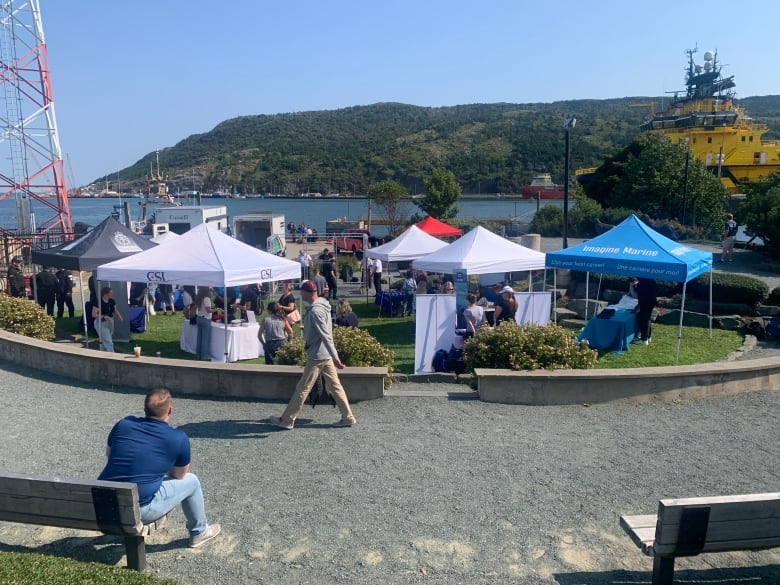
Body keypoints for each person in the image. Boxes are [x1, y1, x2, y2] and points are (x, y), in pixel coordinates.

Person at [98, 387, 221, 549]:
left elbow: (109, 454)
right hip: (136, 510)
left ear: (145, 409)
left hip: (101, 503)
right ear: (170, 410)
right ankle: (199, 532)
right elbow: (179, 475)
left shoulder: (123, 424)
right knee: (192, 481)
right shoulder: (178, 438)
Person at [269, 280, 357, 430]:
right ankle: (348, 417)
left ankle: (287, 420)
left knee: (302, 388)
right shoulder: (322, 304)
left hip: (318, 355)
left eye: (301, 291)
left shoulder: (316, 311)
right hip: (323, 354)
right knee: (335, 386)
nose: (299, 294)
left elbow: (326, 335)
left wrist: (336, 358)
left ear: (307, 293)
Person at [92, 286, 123, 352]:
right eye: (110, 293)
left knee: (106, 339)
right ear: (105, 294)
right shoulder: (99, 302)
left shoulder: (112, 301)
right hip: (101, 323)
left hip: (110, 322)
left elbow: (115, 310)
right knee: (108, 341)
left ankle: (103, 353)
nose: (112, 294)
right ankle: (112, 356)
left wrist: (119, 316)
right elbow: (94, 314)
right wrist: (104, 317)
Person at [194, 286, 217, 360]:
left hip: (199, 317)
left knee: (199, 338)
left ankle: (198, 354)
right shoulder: (206, 298)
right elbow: (208, 310)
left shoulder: (199, 297)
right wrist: (216, 309)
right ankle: (204, 355)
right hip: (205, 319)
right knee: (205, 339)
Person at [633, 277, 657, 345]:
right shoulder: (651, 279)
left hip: (646, 302)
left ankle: (644, 339)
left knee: (643, 319)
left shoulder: (644, 281)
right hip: (650, 302)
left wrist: (635, 285)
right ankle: (647, 337)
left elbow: (640, 291)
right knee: (647, 318)